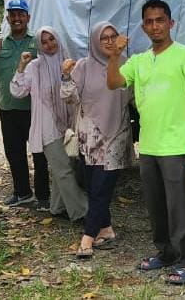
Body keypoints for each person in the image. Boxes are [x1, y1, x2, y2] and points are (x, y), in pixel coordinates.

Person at [106, 0, 185, 285]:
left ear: (170, 23)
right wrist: (115, 55)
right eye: (149, 22)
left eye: (160, 20)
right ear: (143, 27)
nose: (155, 26)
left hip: (176, 145)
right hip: (149, 145)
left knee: (179, 205)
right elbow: (113, 83)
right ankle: (165, 253)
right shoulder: (138, 61)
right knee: (155, 204)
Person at [61, 21, 134, 259]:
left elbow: (135, 99)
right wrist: (66, 75)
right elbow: (69, 98)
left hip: (115, 136)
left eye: (114, 36)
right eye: (104, 38)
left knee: (102, 189)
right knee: (93, 187)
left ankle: (87, 238)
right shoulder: (83, 66)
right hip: (88, 137)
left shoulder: (127, 65)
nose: (110, 41)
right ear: (94, 41)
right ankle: (107, 230)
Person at [10, 26, 87, 222]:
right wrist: (21, 66)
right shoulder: (34, 67)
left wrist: (68, 74)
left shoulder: (68, 62)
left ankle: (57, 207)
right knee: (64, 171)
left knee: (68, 167)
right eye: (43, 42)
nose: (49, 44)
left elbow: (76, 95)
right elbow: (17, 92)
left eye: (51, 39)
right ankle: (84, 212)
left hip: (69, 125)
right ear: (39, 45)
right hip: (47, 128)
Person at [0, 0, 50, 209]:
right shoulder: (0, 42)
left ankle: (43, 196)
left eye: (21, 14)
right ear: (8, 18)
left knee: (39, 153)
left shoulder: (36, 41)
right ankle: (22, 193)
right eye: (13, 14)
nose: (17, 18)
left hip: (34, 109)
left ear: (28, 17)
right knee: (14, 152)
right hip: (8, 108)